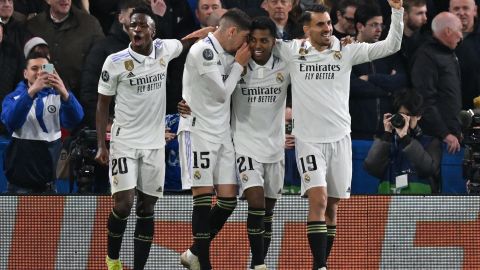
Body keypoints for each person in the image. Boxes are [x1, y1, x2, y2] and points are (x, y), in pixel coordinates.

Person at [274, 1, 404, 268]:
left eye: (329, 23)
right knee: (318, 199)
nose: (327, 28)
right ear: (306, 28)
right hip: (309, 140)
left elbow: (392, 46)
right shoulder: (292, 50)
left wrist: (398, 11)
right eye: (320, 24)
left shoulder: (345, 50)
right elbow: (256, 41)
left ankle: (320, 262)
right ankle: (320, 266)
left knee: (332, 207)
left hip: (341, 138)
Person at [94, 4, 212, 270]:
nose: (137, 29)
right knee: (123, 205)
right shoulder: (114, 62)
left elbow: (189, 40)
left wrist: (216, 32)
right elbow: (102, 104)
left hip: (155, 144)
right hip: (124, 142)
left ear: (153, 31)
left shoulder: (163, 49)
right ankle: (112, 258)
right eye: (133, 25)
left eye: (142, 25)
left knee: (147, 207)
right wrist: (102, 144)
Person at [177, 8, 251, 270]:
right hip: (198, 131)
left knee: (229, 198)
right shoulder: (202, 51)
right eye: (242, 38)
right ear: (231, 31)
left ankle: (194, 252)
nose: (244, 46)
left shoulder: (223, 49)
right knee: (203, 196)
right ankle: (202, 264)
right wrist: (240, 65)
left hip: (222, 132)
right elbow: (222, 93)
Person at [1, 52, 83, 194]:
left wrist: (64, 92)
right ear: (25, 73)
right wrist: (32, 92)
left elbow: (75, 120)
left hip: (49, 186)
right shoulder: (13, 98)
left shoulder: (59, 97)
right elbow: (11, 122)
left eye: (44, 68)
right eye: (34, 68)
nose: (40, 72)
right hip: (18, 187)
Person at [364, 90, 442, 194]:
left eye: (408, 115)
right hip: (387, 203)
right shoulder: (388, 142)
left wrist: (406, 138)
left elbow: (427, 169)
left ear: (418, 116)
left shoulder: (431, 142)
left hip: (420, 204)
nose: (405, 119)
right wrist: (386, 135)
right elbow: (372, 167)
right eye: (401, 115)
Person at [350, 3, 408, 139]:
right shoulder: (347, 52)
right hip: (356, 134)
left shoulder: (389, 53)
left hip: (386, 133)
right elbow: (351, 86)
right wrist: (387, 90)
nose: (379, 29)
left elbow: (400, 81)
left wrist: (371, 79)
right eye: (374, 25)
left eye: (381, 25)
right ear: (360, 26)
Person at [410, 12, 463, 156]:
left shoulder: (448, 54)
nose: (461, 36)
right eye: (459, 30)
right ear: (447, 31)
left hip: (449, 137)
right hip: (433, 139)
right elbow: (425, 100)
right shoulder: (426, 57)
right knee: (431, 175)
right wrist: (444, 133)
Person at [449, 0, 480, 109]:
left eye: (465, 8)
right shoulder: (439, 40)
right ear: (449, 12)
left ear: (475, 11)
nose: (461, 13)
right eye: (456, 9)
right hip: (450, 109)